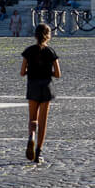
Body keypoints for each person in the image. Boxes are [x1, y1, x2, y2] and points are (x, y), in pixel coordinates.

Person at [20, 23, 61, 163]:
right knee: (43, 122)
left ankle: (31, 136)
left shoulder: (28, 51)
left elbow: (21, 72)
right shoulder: (51, 52)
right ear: (48, 36)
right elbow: (58, 74)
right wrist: (47, 71)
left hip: (32, 86)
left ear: (35, 35)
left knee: (32, 119)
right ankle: (38, 152)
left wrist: (30, 71)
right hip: (46, 87)